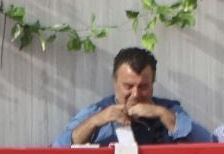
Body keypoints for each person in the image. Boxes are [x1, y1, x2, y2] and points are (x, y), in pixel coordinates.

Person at [55, 47, 206, 147]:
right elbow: (58, 149)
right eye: (128, 86)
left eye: (143, 86)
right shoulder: (97, 111)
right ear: (115, 82)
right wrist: (95, 121)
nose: (136, 94)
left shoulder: (170, 110)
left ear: (153, 84)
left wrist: (161, 113)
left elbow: (207, 143)